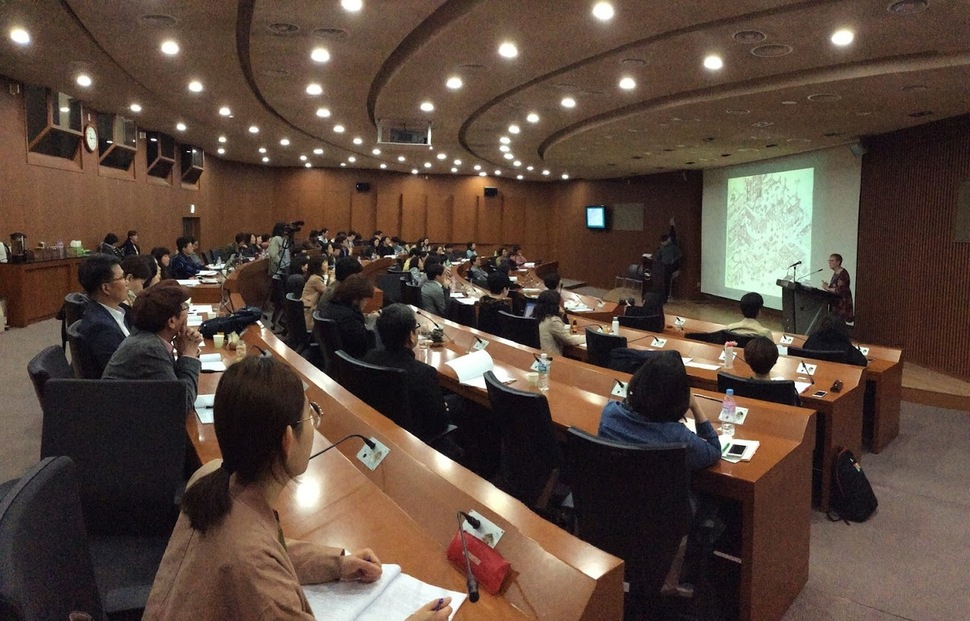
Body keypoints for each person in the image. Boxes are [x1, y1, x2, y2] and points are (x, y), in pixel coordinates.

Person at [143, 356, 452, 620]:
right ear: (287, 440)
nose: (314, 424)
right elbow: (257, 559)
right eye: (310, 415)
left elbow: (267, 548)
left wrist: (337, 563)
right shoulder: (258, 572)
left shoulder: (210, 475)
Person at [598, 351, 720, 471]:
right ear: (678, 398)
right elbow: (714, 450)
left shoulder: (610, 414)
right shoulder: (678, 438)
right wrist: (695, 406)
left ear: (638, 381)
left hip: (616, 488)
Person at [364, 304, 458, 445]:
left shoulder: (369, 358)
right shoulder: (424, 372)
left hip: (379, 427)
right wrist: (442, 407)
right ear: (411, 336)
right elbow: (439, 423)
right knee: (460, 404)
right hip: (416, 439)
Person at [102, 280, 203, 411]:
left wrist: (183, 354)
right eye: (184, 307)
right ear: (171, 321)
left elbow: (174, 385)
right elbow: (182, 404)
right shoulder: (150, 349)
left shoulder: (147, 338)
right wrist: (189, 356)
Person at [74, 254, 132, 377]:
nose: (127, 282)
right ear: (106, 288)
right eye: (122, 278)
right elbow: (124, 374)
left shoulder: (114, 312)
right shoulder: (102, 328)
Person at [317, 273, 377, 359]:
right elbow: (366, 346)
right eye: (365, 299)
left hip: (334, 361)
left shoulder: (330, 305)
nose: (366, 303)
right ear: (356, 298)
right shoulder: (349, 318)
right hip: (353, 362)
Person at [534, 290, 583, 357]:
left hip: (539, 355)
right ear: (556, 305)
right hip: (552, 359)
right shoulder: (553, 320)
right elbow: (570, 340)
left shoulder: (538, 315)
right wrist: (588, 338)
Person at [821, 253, 854, 323]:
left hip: (841, 305)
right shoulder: (836, 273)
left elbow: (840, 290)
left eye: (832, 260)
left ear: (838, 262)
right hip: (835, 304)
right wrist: (828, 286)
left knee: (839, 324)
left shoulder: (843, 274)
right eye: (829, 260)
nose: (829, 262)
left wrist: (827, 288)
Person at [655, 218, 681, 302]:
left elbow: (679, 254)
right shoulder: (661, 248)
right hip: (662, 266)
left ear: (667, 241)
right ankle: (661, 296)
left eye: (663, 242)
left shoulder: (673, 247)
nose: (662, 243)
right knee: (662, 282)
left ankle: (665, 297)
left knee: (667, 282)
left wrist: (674, 259)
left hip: (670, 266)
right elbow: (658, 256)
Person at [300, 255, 328, 330]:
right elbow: (328, 293)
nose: (327, 265)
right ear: (319, 265)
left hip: (308, 307)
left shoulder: (314, 276)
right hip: (309, 311)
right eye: (325, 263)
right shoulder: (316, 279)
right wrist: (331, 279)